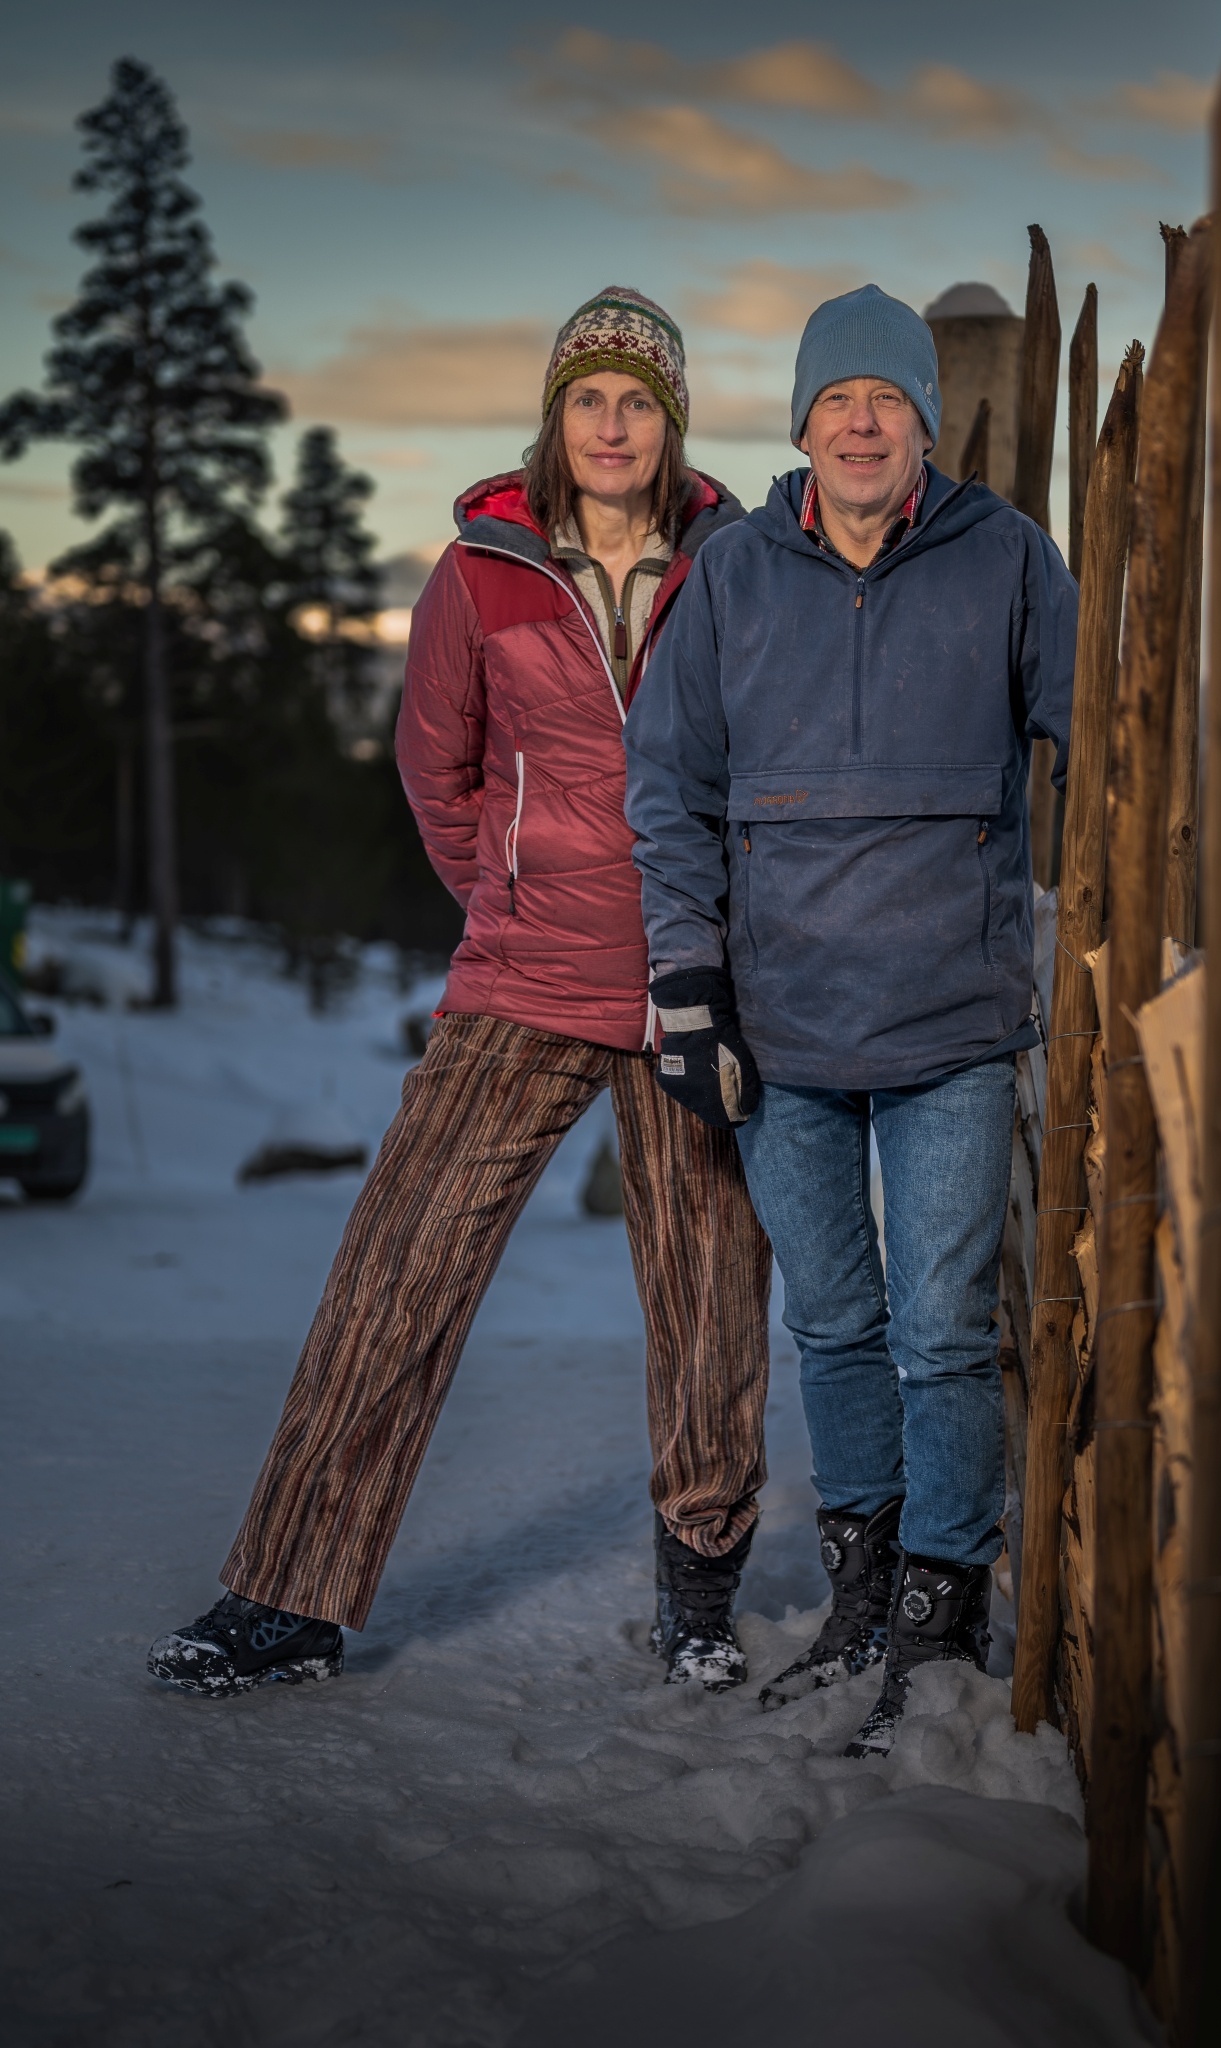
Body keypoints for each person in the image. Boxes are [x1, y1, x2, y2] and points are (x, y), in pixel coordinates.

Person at [148, 287, 773, 1700]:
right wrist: (506, 895)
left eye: (640, 401)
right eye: (590, 398)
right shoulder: (480, 573)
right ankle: (290, 1591)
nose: (613, 425)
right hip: (524, 977)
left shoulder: (734, 571)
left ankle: (700, 1582)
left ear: (672, 423)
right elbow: (435, 774)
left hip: (692, 979)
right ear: (557, 417)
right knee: (400, 1263)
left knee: (713, 1288)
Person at [623, 284, 1077, 1756]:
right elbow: (668, 791)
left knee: (944, 1330)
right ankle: (862, 1588)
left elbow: (1105, 734)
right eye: (837, 402)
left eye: (888, 400)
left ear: (925, 423)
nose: (862, 423)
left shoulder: (1008, 558)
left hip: (951, 1015)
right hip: (785, 1029)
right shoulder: (737, 576)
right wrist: (688, 983)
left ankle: (944, 1610)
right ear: (802, 423)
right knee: (832, 1325)